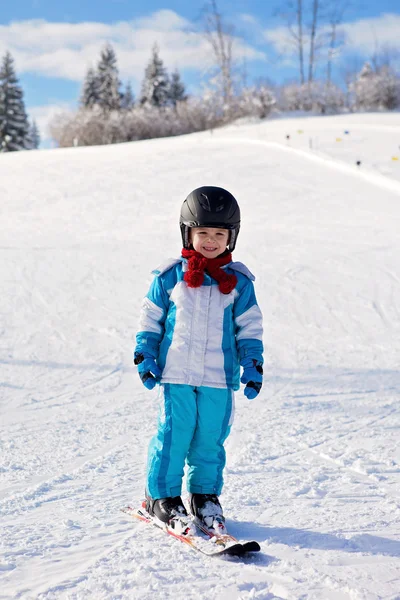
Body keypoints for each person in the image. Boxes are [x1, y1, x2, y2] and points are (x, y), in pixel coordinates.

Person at [134, 186, 263, 532]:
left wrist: (253, 363)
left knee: (209, 439)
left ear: (231, 237)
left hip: (218, 379)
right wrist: (145, 353)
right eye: (202, 232)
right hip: (176, 374)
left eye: (219, 234)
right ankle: (160, 497)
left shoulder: (238, 282)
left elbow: (249, 327)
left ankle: (204, 496)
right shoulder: (170, 276)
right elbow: (151, 319)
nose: (210, 240)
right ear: (187, 232)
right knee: (174, 435)